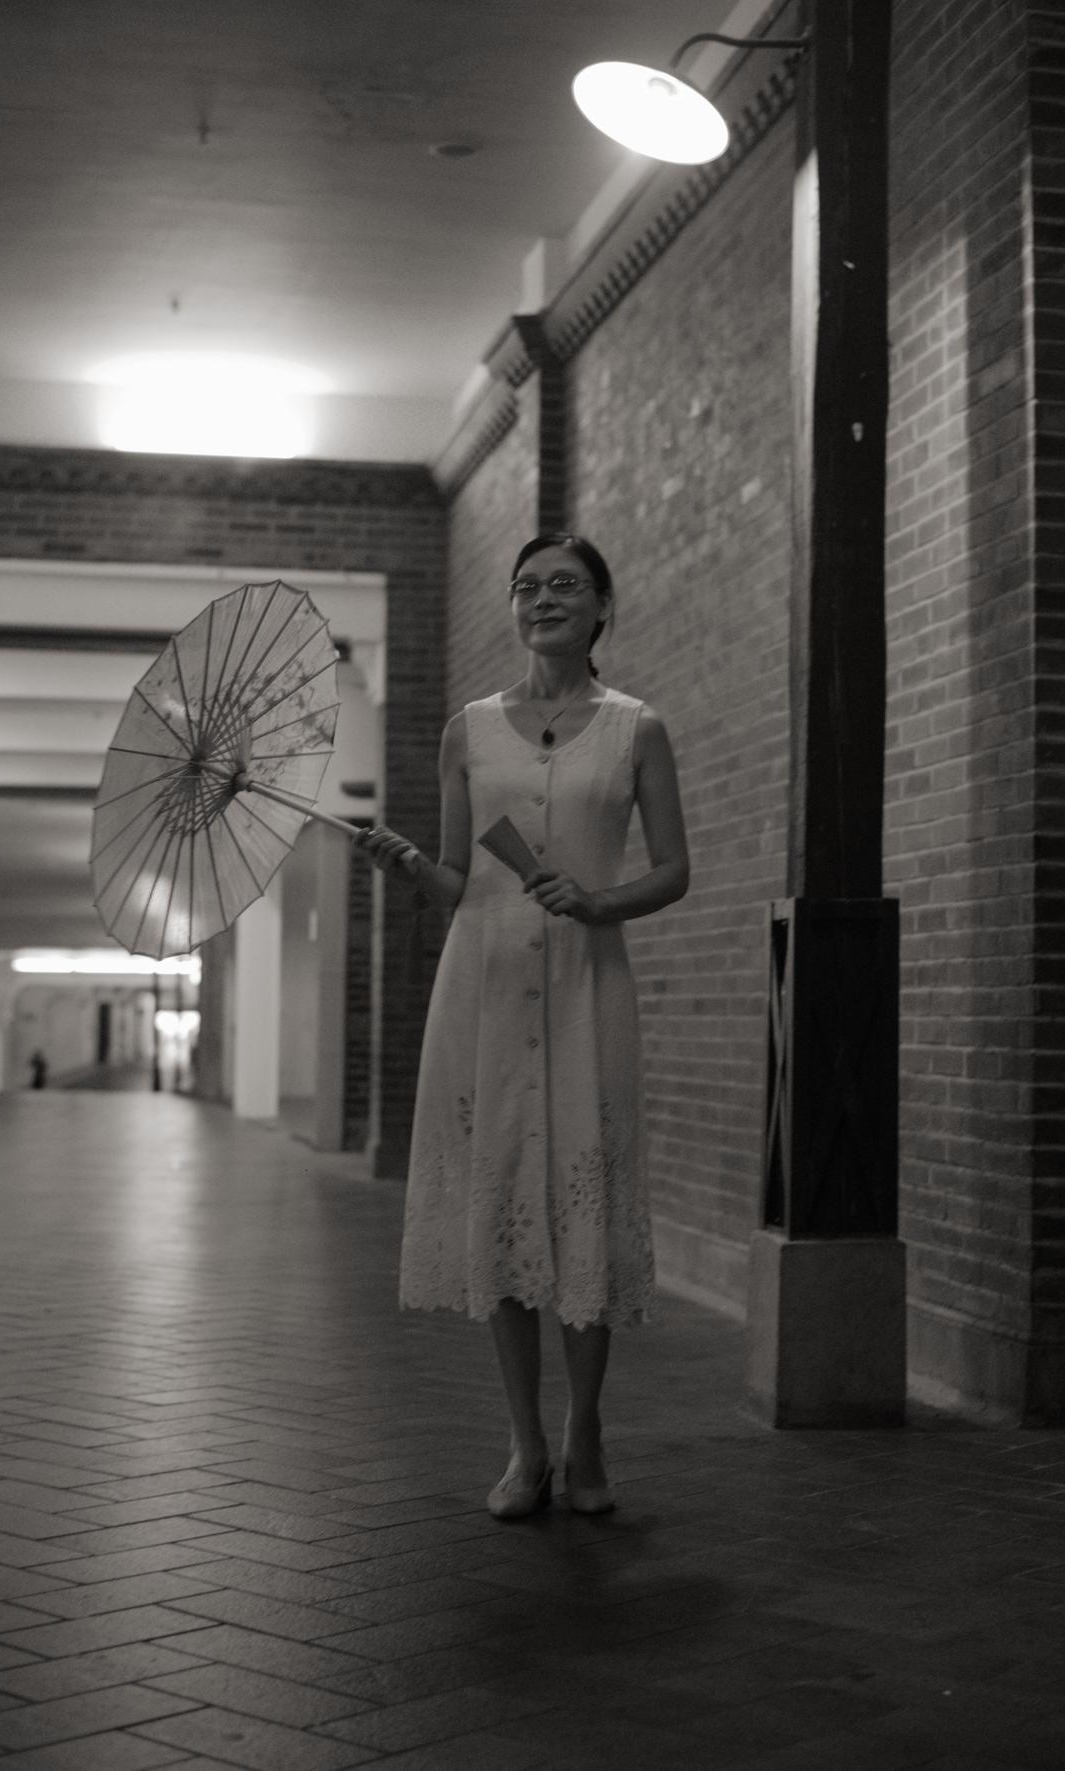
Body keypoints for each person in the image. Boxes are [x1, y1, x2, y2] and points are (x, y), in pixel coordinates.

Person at [355, 533, 689, 1520]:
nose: (542, 598)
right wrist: (409, 866)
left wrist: (600, 900)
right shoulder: (467, 730)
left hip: (587, 982)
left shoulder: (636, 729)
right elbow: (459, 879)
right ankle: (524, 1442)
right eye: (527, 586)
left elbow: (674, 869)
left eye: (565, 585)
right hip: (486, 986)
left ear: (601, 608)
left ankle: (585, 1433)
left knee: (583, 1202)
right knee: (498, 1198)